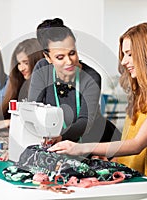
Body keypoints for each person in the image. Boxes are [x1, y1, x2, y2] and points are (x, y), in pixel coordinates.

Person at [48, 22, 147, 185]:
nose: (124, 61)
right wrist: (112, 159)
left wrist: (81, 148)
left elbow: (137, 145)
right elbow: (129, 144)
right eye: (123, 55)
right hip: (131, 178)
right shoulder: (141, 93)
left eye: (129, 54)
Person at [28, 18, 120, 148]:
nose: (69, 61)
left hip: (99, 144)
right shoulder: (42, 69)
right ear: (47, 57)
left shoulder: (91, 77)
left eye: (72, 53)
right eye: (60, 57)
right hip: (63, 143)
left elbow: (85, 121)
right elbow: (34, 109)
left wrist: (60, 136)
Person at [0, 38, 44, 161]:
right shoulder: (19, 84)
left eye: (25, 63)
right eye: (19, 63)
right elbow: (6, 111)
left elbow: (39, 122)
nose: (21, 68)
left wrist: (7, 123)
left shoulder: (46, 88)